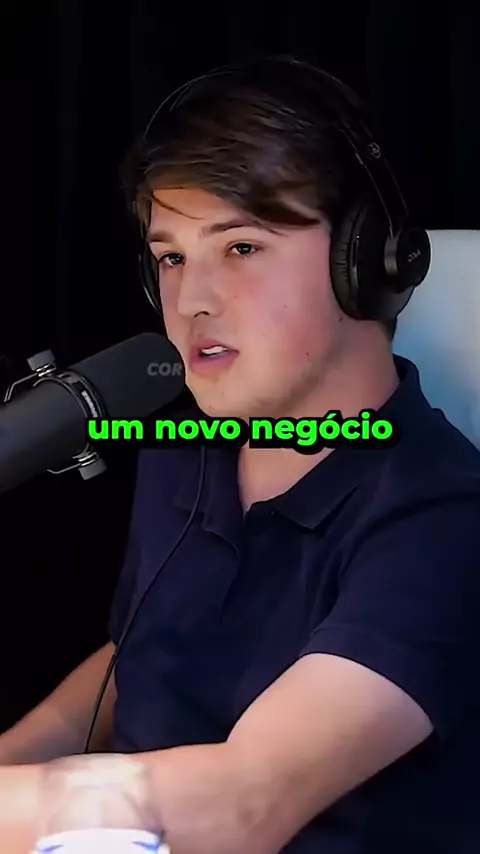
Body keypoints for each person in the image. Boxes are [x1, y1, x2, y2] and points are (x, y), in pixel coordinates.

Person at [1, 54, 480, 854]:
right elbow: (133, 661)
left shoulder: (445, 520)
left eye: (243, 248)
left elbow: (243, 802)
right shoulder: (186, 453)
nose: (192, 301)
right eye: (172, 257)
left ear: (365, 261)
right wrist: (16, 757)